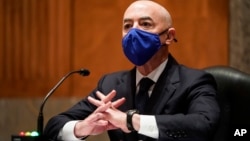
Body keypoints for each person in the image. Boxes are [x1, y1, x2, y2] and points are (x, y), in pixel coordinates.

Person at [44, 0, 220, 141]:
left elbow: (203, 125)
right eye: (127, 26)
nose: (133, 33)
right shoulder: (110, 85)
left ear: (169, 36)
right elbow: (54, 126)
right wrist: (82, 127)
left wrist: (130, 121)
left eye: (145, 24)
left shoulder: (195, 81)